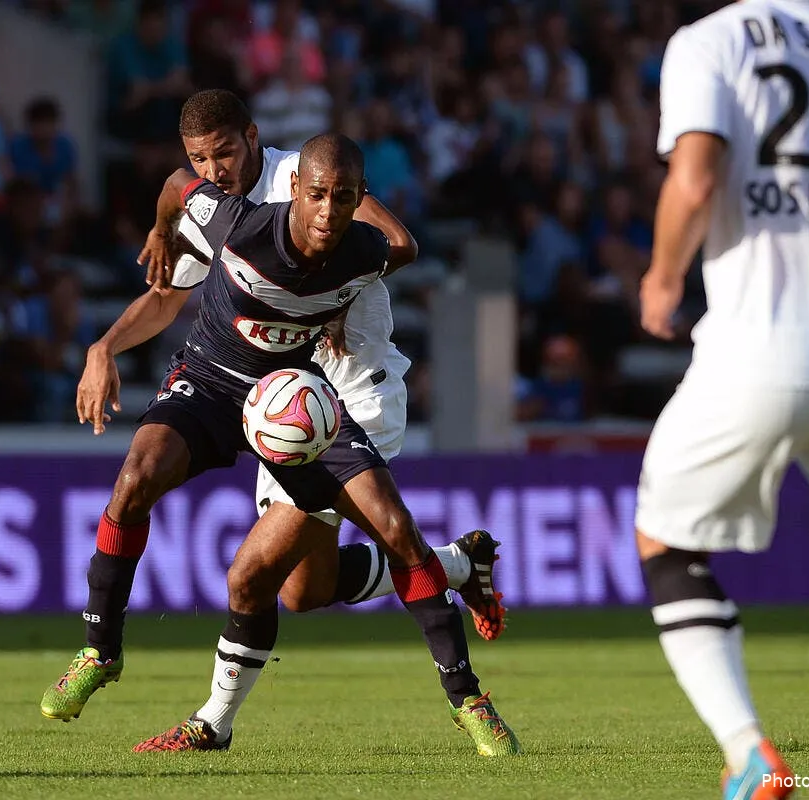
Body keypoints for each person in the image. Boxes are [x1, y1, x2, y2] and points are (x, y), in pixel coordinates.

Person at [42, 88, 506, 735]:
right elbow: (170, 256)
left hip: (344, 392)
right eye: (201, 159)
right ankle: (455, 565)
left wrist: (333, 300)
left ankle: (211, 724)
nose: (213, 171)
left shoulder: (310, 181)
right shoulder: (218, 212)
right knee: (302, 591)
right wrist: (105, 343)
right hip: (272, 398)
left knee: (256, 575)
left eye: (224, 154)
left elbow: (395, 241)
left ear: (253, 138)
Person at [636, 2, 809, 798]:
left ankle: (748, 752)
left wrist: (662, 277)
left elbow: (695, 177)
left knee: (666, 540)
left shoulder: (713, 41)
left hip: (755, 351)